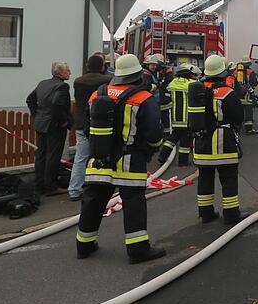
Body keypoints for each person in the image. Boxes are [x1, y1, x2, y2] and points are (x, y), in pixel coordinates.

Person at [75, 54, 166, 264]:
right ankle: (138, 250)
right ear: (136, 75)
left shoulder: (97, 94)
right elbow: (153, 133)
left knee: (93, 202)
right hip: (130, 160)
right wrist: (152, 150)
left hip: (98, 158)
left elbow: (88, 127)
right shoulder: (143, 98)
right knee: (134, 203)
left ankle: (84, 245)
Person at [189, 55, 245, 224]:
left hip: (201, 143)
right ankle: (231, 214)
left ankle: (205, 214)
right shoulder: (228, 92)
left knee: (205, 180)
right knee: (228, 180)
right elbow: (238, 117)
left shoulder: (196, 91)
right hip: (223, 144)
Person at [26, 61, 72, 202]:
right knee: (53, 156)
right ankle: (51, 187)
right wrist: (63, 121)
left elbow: (30, 99)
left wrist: (37, 114)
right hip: (54, 126)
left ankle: (39, 184)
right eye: (67, 70)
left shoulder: (43, 83)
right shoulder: (62, 86)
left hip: (41, 124)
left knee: (41, 154)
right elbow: (57, 104)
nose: (70, 71)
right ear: (60, 73)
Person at [70, 55, 110, 200]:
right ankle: (101, 185)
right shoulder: (106, 81)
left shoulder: (78, 81)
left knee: (81, 157)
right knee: (103, 155)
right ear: (102, 67)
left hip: (81, 123)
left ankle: (74, 189)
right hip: (100, 124)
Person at [158, 63, 194, 166]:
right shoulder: (191, 84)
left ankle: (162, 156)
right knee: (185, 142)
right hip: (187, 118)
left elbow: (166, 98)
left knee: (172, 138)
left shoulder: (172, 83)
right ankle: (183, 161)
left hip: (175, 118)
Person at [234, 55, 258, 135]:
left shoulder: (236, 71)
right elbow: (254, 83)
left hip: (238, 96)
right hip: (247, 97)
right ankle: (249, 129)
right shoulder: (251, 72)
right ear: (249, 63)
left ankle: (236, 128)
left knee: (238, 112)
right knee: (248, 113)